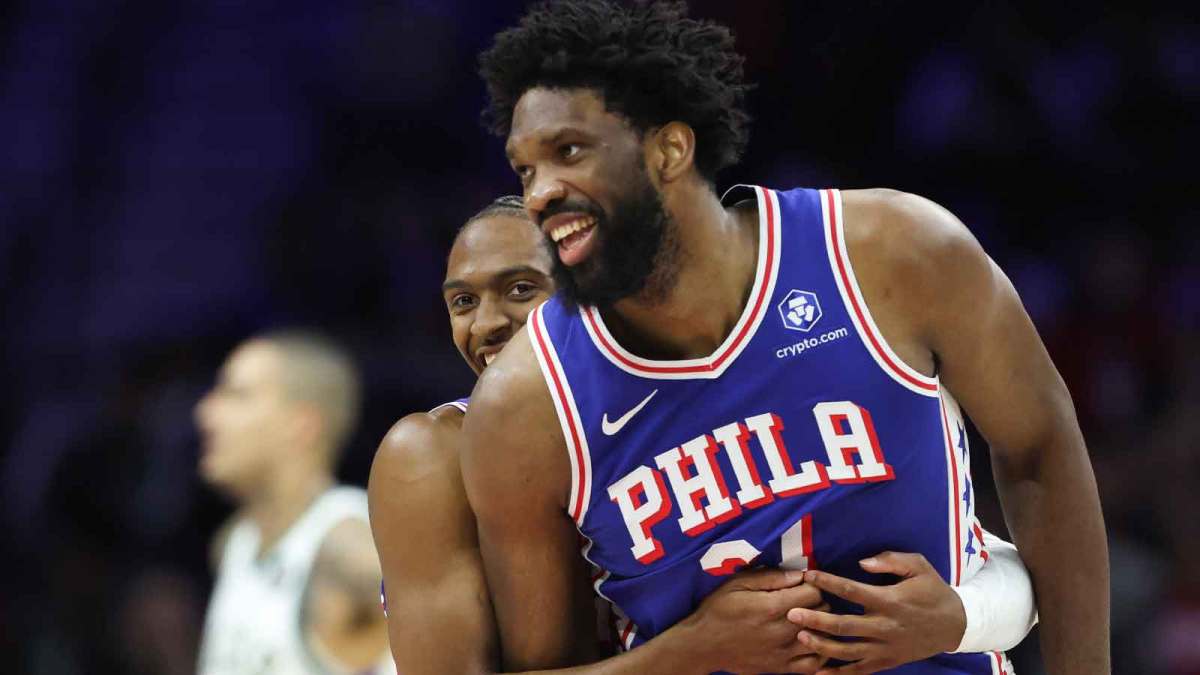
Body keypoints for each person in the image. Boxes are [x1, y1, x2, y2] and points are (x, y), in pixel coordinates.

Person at [461, 2, 1108, 674]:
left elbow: (1041, 446)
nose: (538, 194)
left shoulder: (893, 254)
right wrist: (692, 650)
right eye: (524, 171)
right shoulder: (525, 404)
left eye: (568, 152)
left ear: (669, 149)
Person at [369, 197, 1036, 674]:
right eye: (462, 301)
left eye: (521, 289)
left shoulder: (685, 405)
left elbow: (995, 569)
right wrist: (691, 650)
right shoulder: (430, 457)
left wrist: (957, 616)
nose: (486, 322)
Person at [195, 330, 393, 674]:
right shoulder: (235, 542)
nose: (206, 412)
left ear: (301, 424)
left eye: (236, 395)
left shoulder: (347, 546)